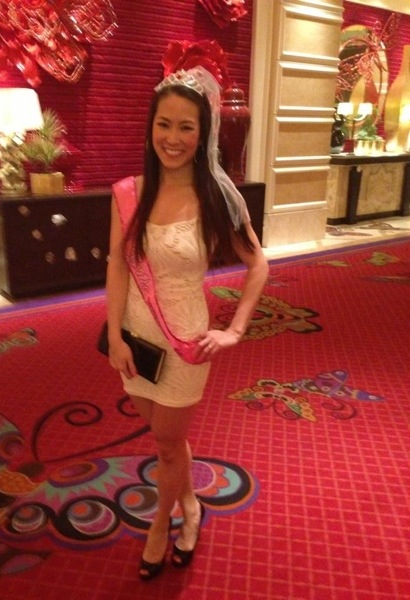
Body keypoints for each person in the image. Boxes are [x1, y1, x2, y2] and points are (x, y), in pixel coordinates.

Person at [105, 66, 269, 580]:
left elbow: (259, 264)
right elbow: (117, 265)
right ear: (150, 126)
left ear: (203, 134)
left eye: (186, 127)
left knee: (166, 443)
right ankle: (193, 504)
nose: (172, 138)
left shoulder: (215, 195)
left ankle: (162, 525)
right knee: (167, 440)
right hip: (135, 340)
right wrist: (115, 336)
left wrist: (234, 329)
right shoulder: (128, 193)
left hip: (186, 343)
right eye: (164, 124)